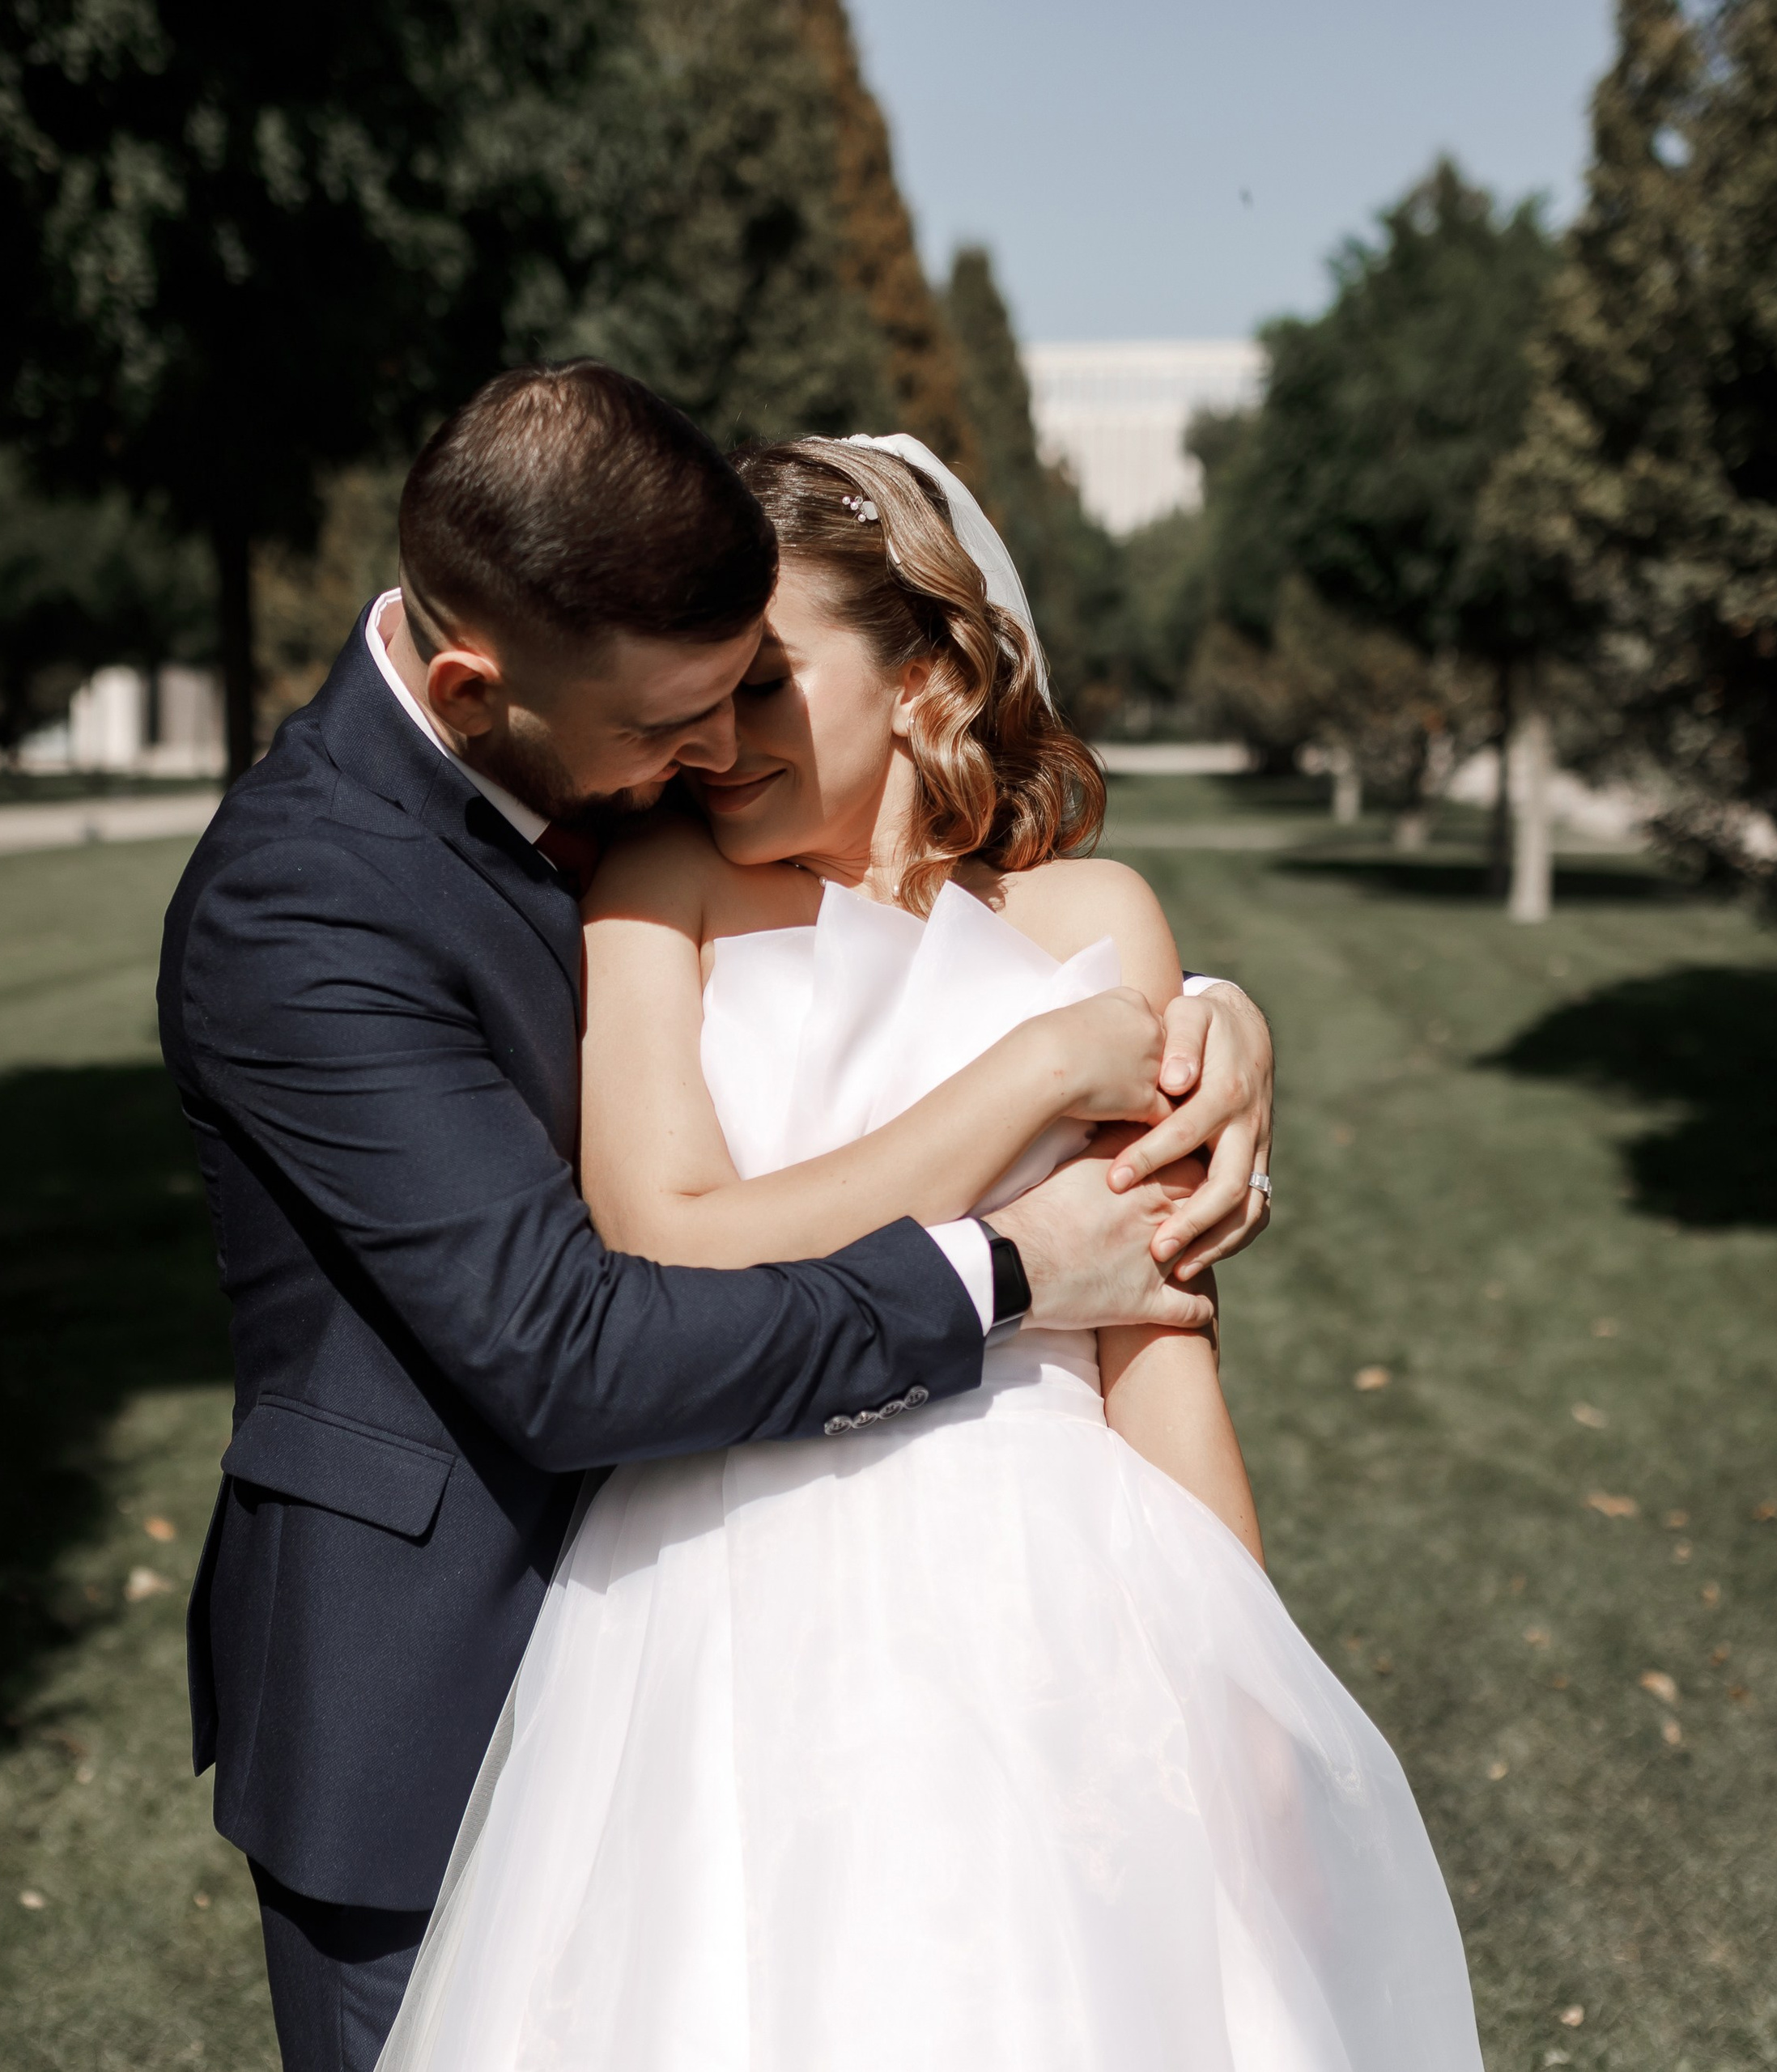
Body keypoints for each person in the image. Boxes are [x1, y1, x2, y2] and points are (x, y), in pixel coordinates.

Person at [158, 363, 1277, 2072]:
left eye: (746, 686)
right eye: (676, 719)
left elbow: (1141, 1268)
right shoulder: (303, 907)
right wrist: (1006, 1261)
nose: (706, 755)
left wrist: (1208, 1023)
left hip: (992, 1629)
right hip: (452, 1678)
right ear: (475, 688)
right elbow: (575, 1338)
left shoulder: (607, 707)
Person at [372, 434, 1482, 2070]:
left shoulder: (1095, 920)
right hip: (730, 1572)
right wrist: (1028, 1075)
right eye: (702, 696)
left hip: (1060, 1583)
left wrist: (1245, 1687)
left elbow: (1157, 1331)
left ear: (923, 674)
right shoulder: (660, 887)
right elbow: (664, 1239)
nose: (714, 740)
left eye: (764, 685)